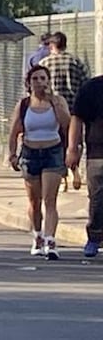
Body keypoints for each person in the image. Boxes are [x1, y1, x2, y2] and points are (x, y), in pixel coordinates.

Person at [7, 65, 71, 259]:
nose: (40, 82)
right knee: (34, 202)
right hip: (30, 152)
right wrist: (12, 154)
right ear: (29, 83)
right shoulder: (25, 104)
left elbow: (67, 124)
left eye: (43, 78)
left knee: (50, 200)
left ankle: (51, 241)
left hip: (52, 151)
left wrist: (55, 103)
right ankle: (37, 235)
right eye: (36, 79)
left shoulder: (57, 101)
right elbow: (14, 131)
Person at [38, 31, 88, 190]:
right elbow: (86, 84)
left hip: (53, 110)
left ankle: (62, 177)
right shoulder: (76, 62)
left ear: (52, 45)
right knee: (74, 143)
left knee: (57, 143)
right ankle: (75, 168)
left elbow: (39, 87)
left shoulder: (45, 63)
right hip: (75, 110)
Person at [67, 74, 103, 258]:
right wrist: (73, 148)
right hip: (98, 152)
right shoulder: (92, 87)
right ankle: (95, 237)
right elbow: (77, 118)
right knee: (97, 199)